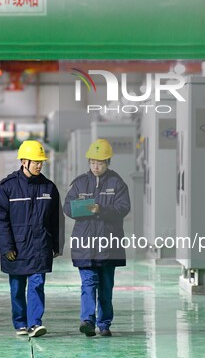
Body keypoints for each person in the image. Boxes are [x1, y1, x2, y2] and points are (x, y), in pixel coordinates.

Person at [0, 140, 64, 338]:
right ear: (24, 161)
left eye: (41, 162)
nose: (39, 165)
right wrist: (7, 247)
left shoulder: (49, 188)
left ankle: (35, 323)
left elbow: (56, 219)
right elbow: (0, 220)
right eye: (35, 162)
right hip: (16, 249)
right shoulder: (8, 188)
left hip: (40, 247)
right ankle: (20, 323)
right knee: (17, 289)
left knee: (37, 285)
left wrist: (57, 245)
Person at [63, 139, 131, 337]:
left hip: (108, 244)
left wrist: (102, 210)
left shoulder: (117, 183)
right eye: (92, 162)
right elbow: (67, 207)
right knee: (88, 282)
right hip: (84, 243)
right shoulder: (80, 183)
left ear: (108, 162)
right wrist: (81, 209)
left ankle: (104, 323)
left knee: (105, 286)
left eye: (100, 163)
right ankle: (88, 321)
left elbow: (123, 208)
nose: (95, 166)